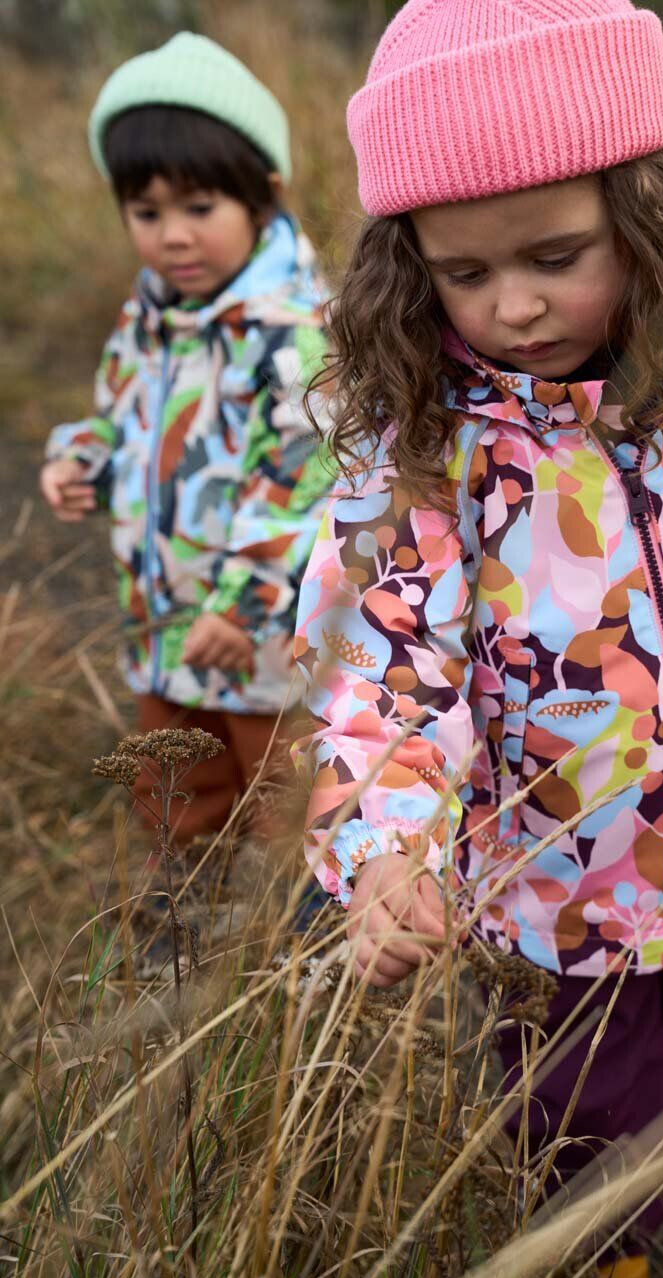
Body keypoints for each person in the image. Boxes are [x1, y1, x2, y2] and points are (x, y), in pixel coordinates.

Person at [292, 1, 663, 1278]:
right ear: (408, 261)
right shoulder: (430, 456)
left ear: (652, 216)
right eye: (464, 273)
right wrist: (381, 844)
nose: (516, 306)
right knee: (587, 1143)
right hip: (552, 908)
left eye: (556, 254)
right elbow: (375, 666)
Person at [41, 33, 333, 848]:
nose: (173, 236)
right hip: (160, 612)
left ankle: (286, 927)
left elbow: (302, 478)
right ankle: (191, 904)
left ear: (263, 198)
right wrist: (82, 461)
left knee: (276, 783)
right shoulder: (149, 319)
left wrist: (242, 606)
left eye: (199, 208)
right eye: (147, 212)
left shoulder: (290, 335)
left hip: (257, 626)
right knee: (174, 774)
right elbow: (121, 417)